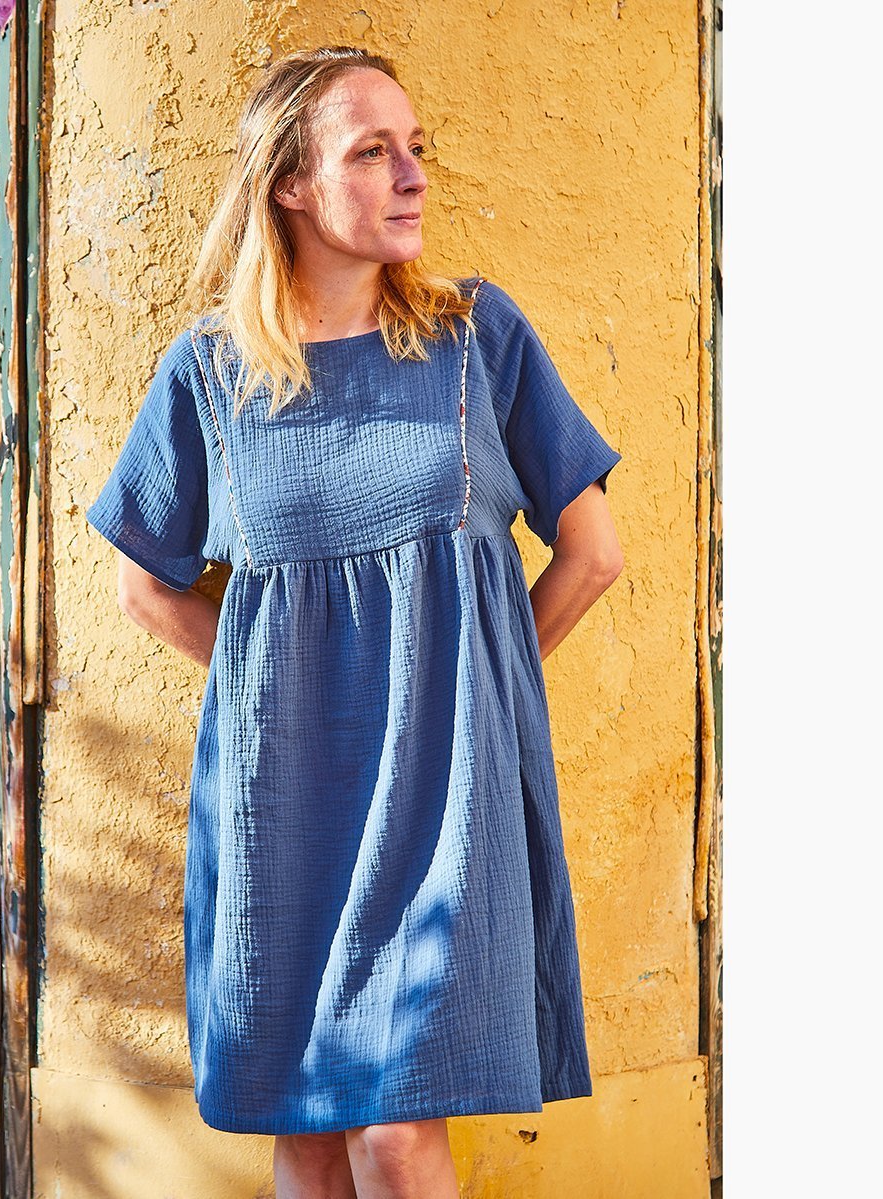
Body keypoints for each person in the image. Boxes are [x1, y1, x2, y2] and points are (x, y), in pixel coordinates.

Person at [85, 44, 624, 1199]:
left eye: (414, 147)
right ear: (290, 182)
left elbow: (591, 554)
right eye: (372, 152)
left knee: (393, 1130)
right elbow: (145, 582)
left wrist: (472, 694)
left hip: (444, 795)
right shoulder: (210, 373)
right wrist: (269, 694)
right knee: (308, 1130)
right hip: (281, 797)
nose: (412, 175)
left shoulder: (475, 338)